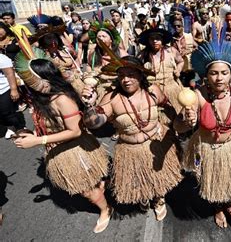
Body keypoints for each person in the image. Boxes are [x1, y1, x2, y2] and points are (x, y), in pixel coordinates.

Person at [174, 34, 231, 230]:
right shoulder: (197, 96)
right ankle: (217, 206)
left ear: (230, 73)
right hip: (208, 148)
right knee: (212, 181)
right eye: (214, 73)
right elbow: (178, 127)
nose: (219, 78)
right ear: (206, 75)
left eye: (224, 72)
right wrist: (185, 120)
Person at [13, 51, 111, 233]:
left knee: (85, 189)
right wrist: (30, 134)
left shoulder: (62, 99)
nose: (27, 84)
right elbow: (51, 127)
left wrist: (38, 140)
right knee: (90, 182)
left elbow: (75, 131)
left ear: (45, 79)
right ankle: (99, 185)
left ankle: (105, 209)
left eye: (30, 80)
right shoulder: (41, 99)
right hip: (60, 152)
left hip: (75, 150)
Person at [82, 56, 183, 221]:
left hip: (154, 143)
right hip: (130, 149)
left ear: (140, 74)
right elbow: (94, 123)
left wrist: (179, 123)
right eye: (121, 75)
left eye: (130, 74)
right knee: (140, 180)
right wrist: (89, 106)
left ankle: (158, 199)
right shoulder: (111, 98)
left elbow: (168, 107)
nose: (126, 80)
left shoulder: (153, 90)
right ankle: (144, 196)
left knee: (157, 176)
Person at [139, 28, 185, 114]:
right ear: (148, 40)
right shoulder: (142, 54)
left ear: (162, 39)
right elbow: (137, 69)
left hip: (171, 87)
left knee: (177, 115)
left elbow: (181, 61)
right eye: (152, 39)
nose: (155, 41)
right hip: (151, 90)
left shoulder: (171, 50)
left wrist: (178, 70)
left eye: (157, 38)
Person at [0, 53, 25, 139]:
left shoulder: (1, 58)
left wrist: (14, 89)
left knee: (7, 112)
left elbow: (10, 74)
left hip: (4, 89)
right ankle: (10, 126)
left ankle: (20, 128)